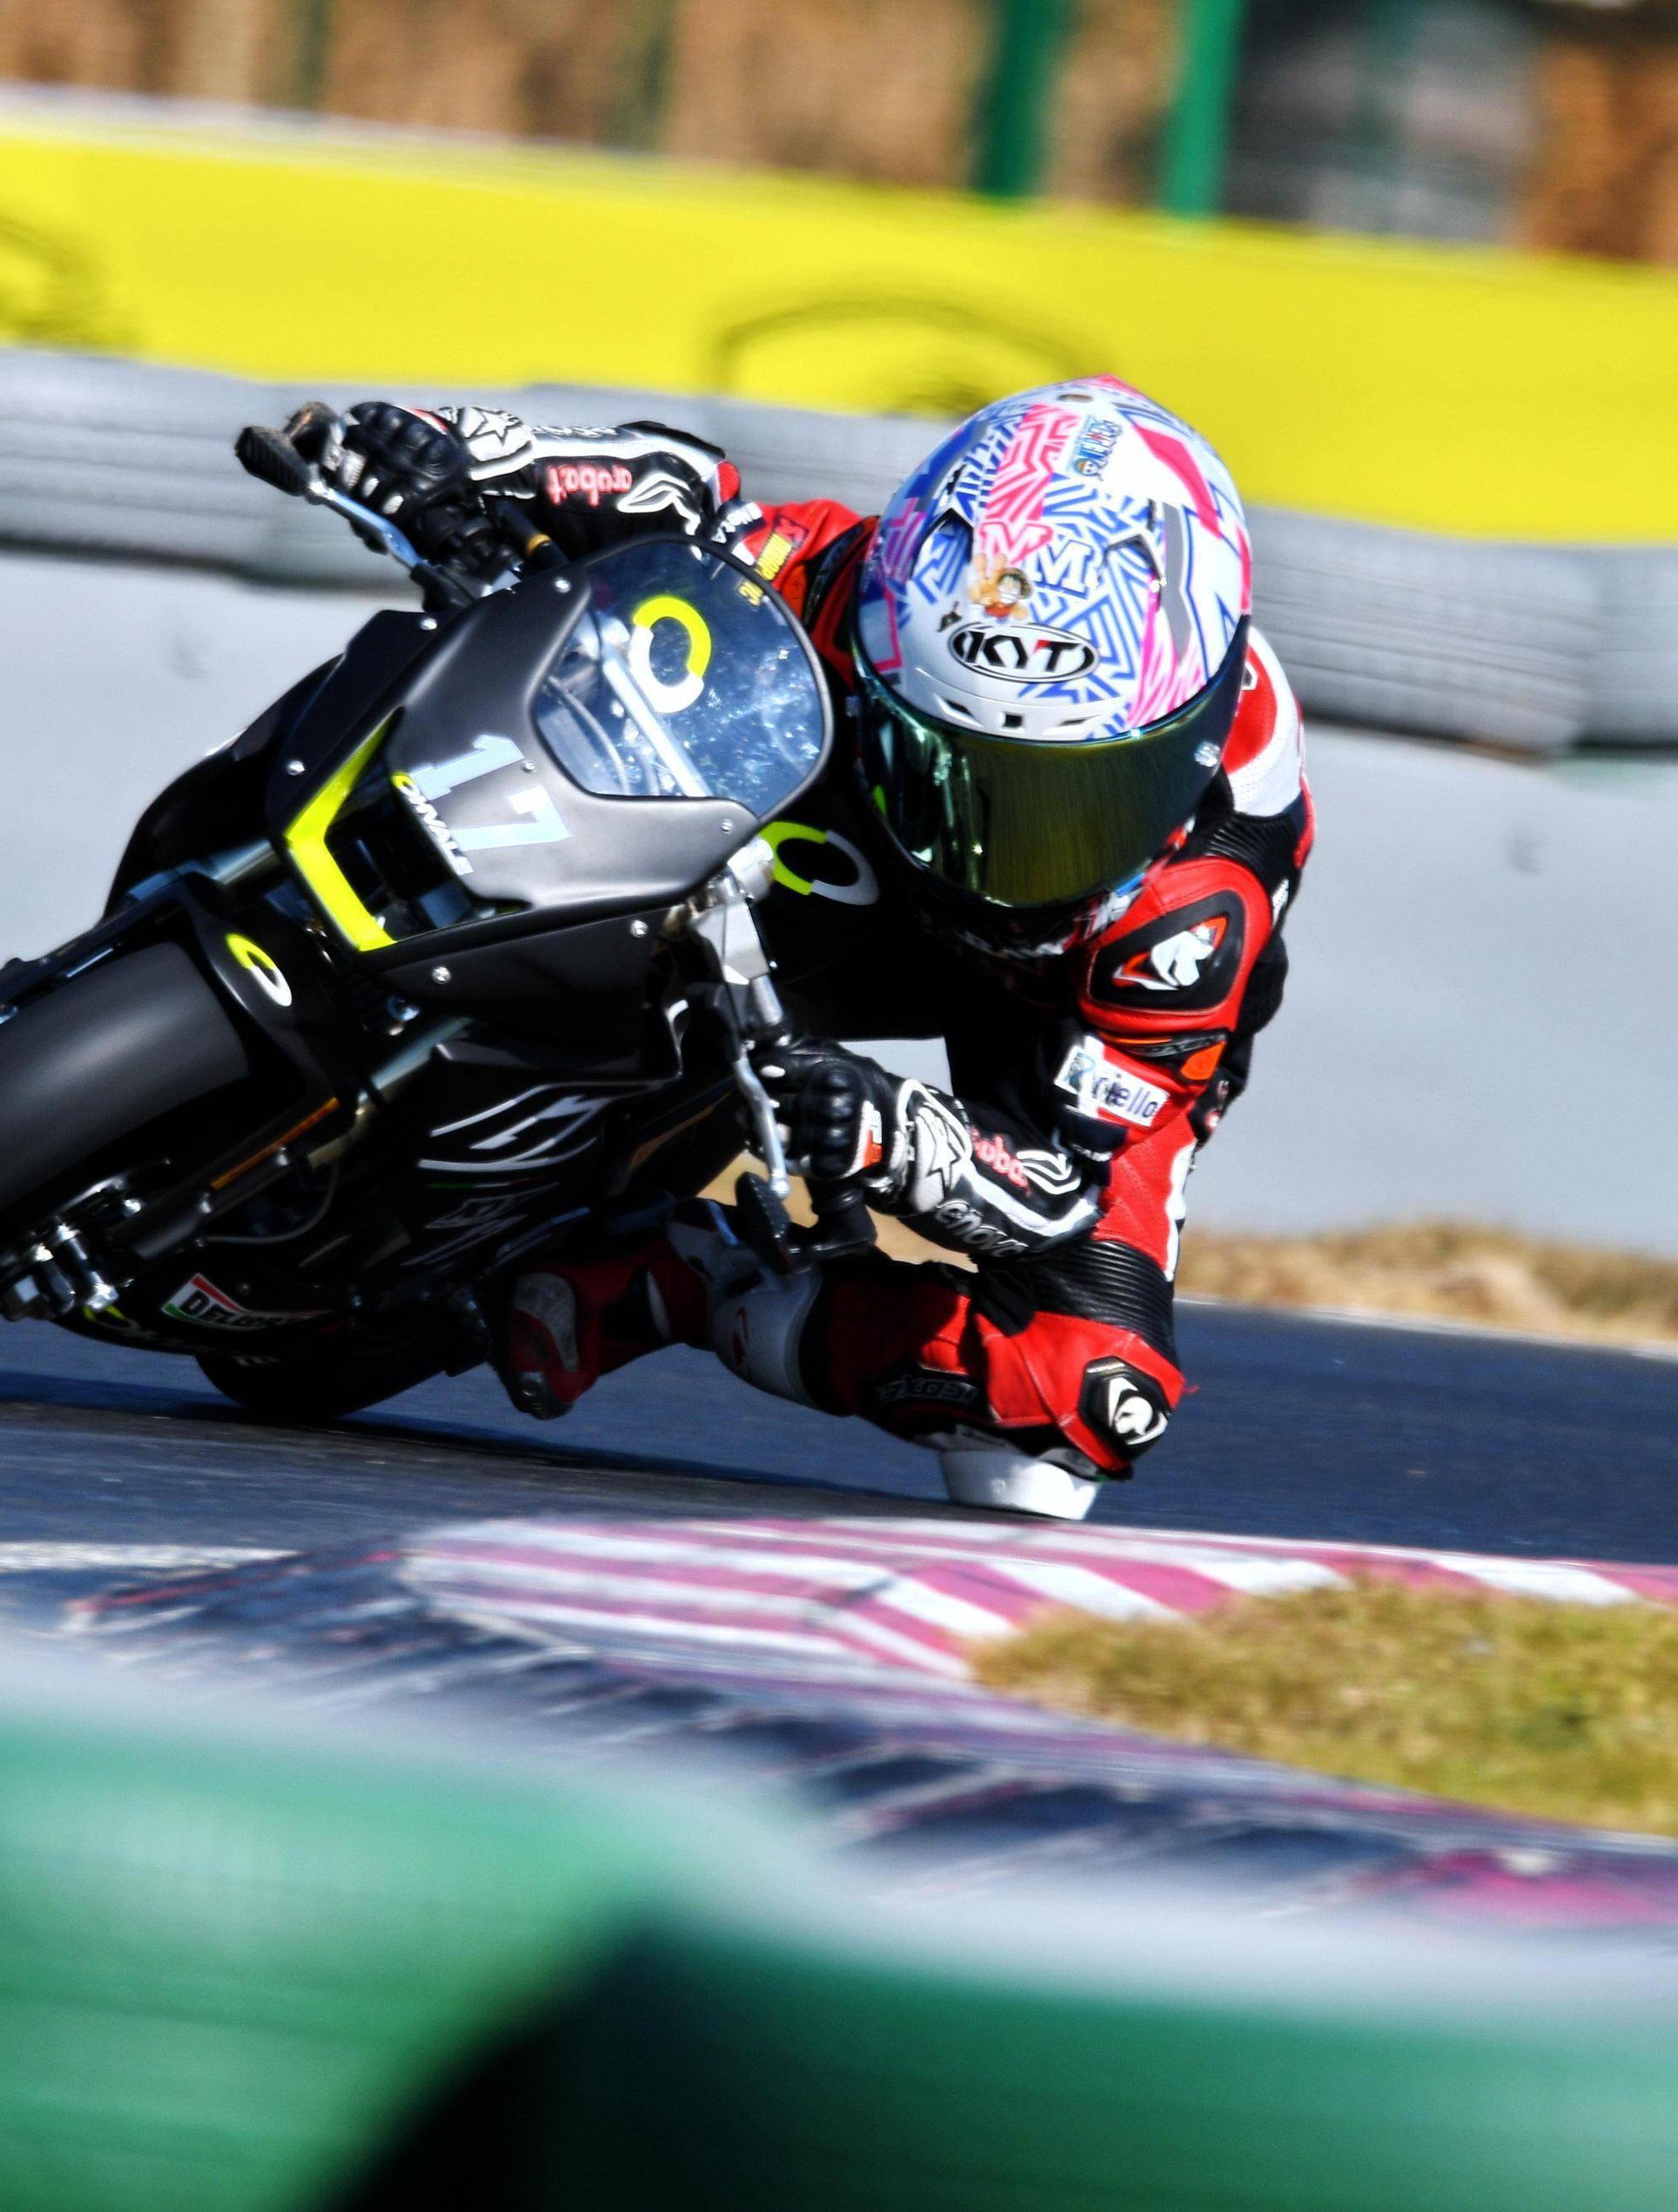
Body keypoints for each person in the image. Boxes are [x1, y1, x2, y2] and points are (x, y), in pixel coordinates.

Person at [315, 379, 1311, 1519]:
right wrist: (462, 451)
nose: (1000, 854)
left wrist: (896, 1134)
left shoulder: (1202, 899)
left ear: (1185, 737)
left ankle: (686, 1279)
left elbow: (1064, 1190)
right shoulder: (849, 588)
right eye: (961, 764)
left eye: (1076, 802)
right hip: (841, 840)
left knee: (1085, 1399)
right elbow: (675, 489)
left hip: (1047, 998)